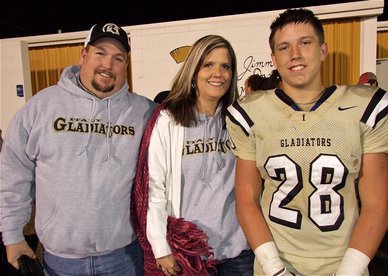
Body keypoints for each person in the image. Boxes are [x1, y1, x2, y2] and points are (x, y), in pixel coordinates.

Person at [226, 8, 388, 276]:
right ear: (274, 58)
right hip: (276, 260)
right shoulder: (252, 113)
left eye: (305, 42)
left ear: (322, 50)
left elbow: (377, 207)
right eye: (284, 47)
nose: (295, 54)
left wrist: (349, 271)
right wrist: (275, 269)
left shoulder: (364, 108)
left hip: (343, 261)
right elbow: (246, 200)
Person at [0, 22, 156, 275]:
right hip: (61, 261)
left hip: (125, 256)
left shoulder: (143, 112)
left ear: (126, 65)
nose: (108, 64)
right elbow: (13, 174)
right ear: (83, 55)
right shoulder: (41, 107)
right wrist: (12, 235)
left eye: (118, 58)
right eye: (100, 53)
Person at [133, 34, 254, 275]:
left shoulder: (239, 120)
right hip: (190, 253)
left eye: (225, 66)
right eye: (208, 64)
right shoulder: (169, 120)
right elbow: (155, 186)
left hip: (238, 252)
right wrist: (160, 246)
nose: (217, 73)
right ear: (193, 70)